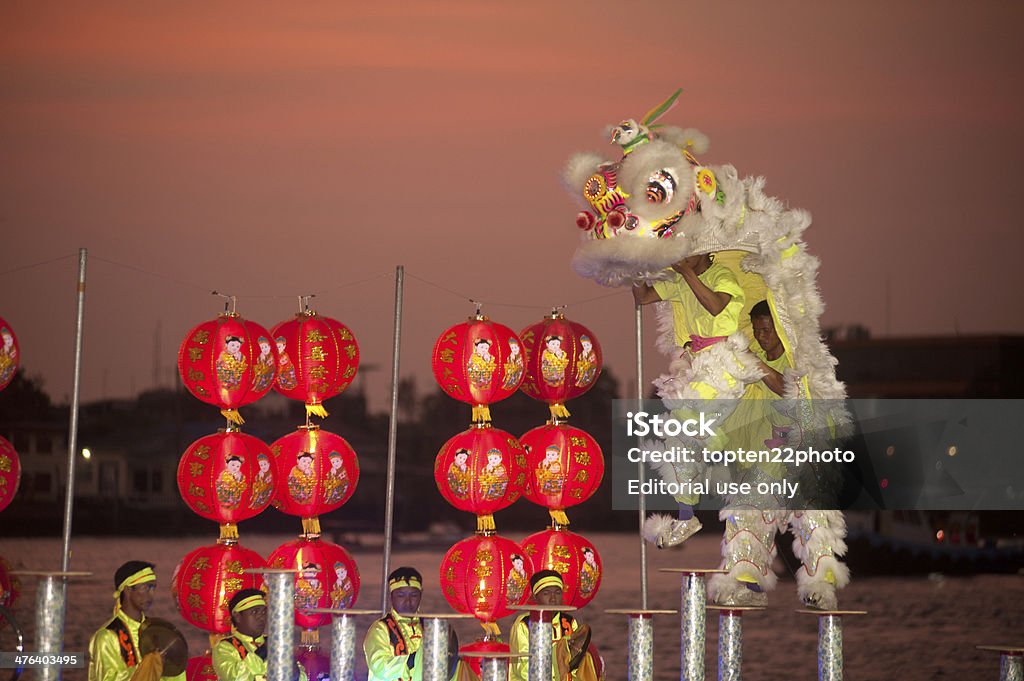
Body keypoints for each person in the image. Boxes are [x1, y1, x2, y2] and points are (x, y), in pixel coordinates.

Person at [633, 252, 761, 548]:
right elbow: (643, 297)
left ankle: (718, 442)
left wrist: (687, 274)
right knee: (676, 444)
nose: (683, 256)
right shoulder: (679, 279)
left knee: (682, 406)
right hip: (696, 367)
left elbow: (716, 307)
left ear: (705, 249)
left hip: (723, 366)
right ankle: (686, 514)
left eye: (690, 249)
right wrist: (635, 268)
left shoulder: (721, 277)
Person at [88, 561, 186, 681]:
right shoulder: (108, 637)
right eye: (145, 587)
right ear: (128, 590)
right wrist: (149, 664)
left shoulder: (158, 631)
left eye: (153, 587)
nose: (151, 594)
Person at [364, 567, 456, 681]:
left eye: (413, 595)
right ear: (391, 596)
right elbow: (379, 667)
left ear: (421, 595)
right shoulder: (380, 629)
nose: (408, 601)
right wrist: (411, 661)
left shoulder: (430, 628)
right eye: (401, 595)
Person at [508, 571, 602, 681]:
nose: (553, 598)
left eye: (557, 593)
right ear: (535, 596)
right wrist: (559, 671)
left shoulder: (569, 622)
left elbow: (576, 661)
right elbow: (523, 667)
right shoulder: (524, 623)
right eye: (546, 593)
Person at [212, 588, 306, 681]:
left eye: (263, 612)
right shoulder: (225, 647)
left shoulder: (275, 643)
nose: (261, 617)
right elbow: (236, 677)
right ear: (237, 617)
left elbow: (302, 677)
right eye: (254, 612)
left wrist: (293, 669)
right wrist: (263, 651)